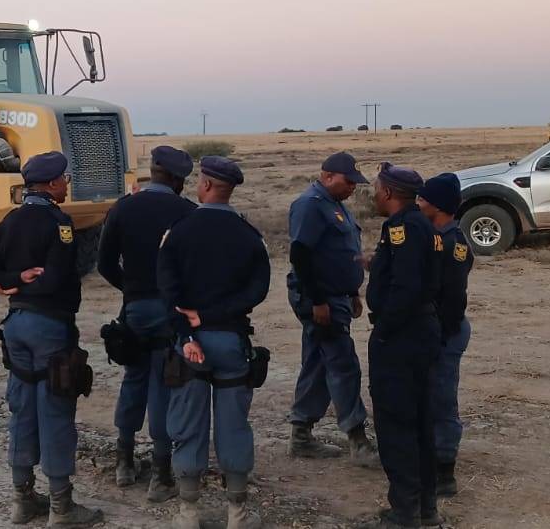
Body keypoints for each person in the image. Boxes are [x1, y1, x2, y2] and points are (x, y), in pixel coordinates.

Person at [0, 151, 103, 527]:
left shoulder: (10, 221)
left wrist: (14, 281)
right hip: (49, 328)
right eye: (64, 179)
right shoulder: (59, 224)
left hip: (16, 326)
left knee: (22, 410)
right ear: (50, 184)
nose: (66, 184)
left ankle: (22, 500)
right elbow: (57, 280)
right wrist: (28, 280)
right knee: (55, 413)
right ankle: (61, 508)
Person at [158, 156, 269, 529]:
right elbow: (258, 290)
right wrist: (216, 315)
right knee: (233, 424)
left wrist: (189, 330)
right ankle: (237, 514)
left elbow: (168, 291)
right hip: (231, 340)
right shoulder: (248, 235)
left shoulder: (179, 232)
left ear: (204, 185)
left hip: (191, 345)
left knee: (187, 422)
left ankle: (188, 513)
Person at [97, 145, 198, 500]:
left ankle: (124, 462)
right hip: (171, 311)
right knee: (164, 384)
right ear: (177, 179)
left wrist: (132, 289)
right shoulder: (187, 213)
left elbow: (105, 264)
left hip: (135, 308)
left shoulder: (123, 207)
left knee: (134, 379)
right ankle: (160, 474)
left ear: (152, 172)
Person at [363, 163, 445, 529]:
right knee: (420, 422)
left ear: (388, 193)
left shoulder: (403, 228)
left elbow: (406, 288)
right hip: (420, 332)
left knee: (397, 425)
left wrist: (384, 331)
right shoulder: (424, 225)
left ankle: (405, 514)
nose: (374, 195)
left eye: (376, 189)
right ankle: (424, 509)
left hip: (402, 337)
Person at [285, 151, 378, 466]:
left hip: (336, 297)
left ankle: (301, 434)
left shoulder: (335, 206)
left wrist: (352, 292)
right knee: (343, 363)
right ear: (327, 176)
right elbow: (300, 256)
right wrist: (318, 301)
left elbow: (341, 253)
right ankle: (358, 439)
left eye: (355, 182)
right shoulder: (310, 205)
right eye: (348, 181)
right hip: (321, 298)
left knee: (318, 363)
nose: (353, 187)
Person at [416, 173, 472, 498]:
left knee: (441, 399)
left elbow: (451, 300)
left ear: (437, 206)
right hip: (438, 330)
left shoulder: (451, 244)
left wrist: (438, 335)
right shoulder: (439, 237)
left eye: (422, 199)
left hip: (445, 333)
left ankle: (444, 471)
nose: (418, 204)